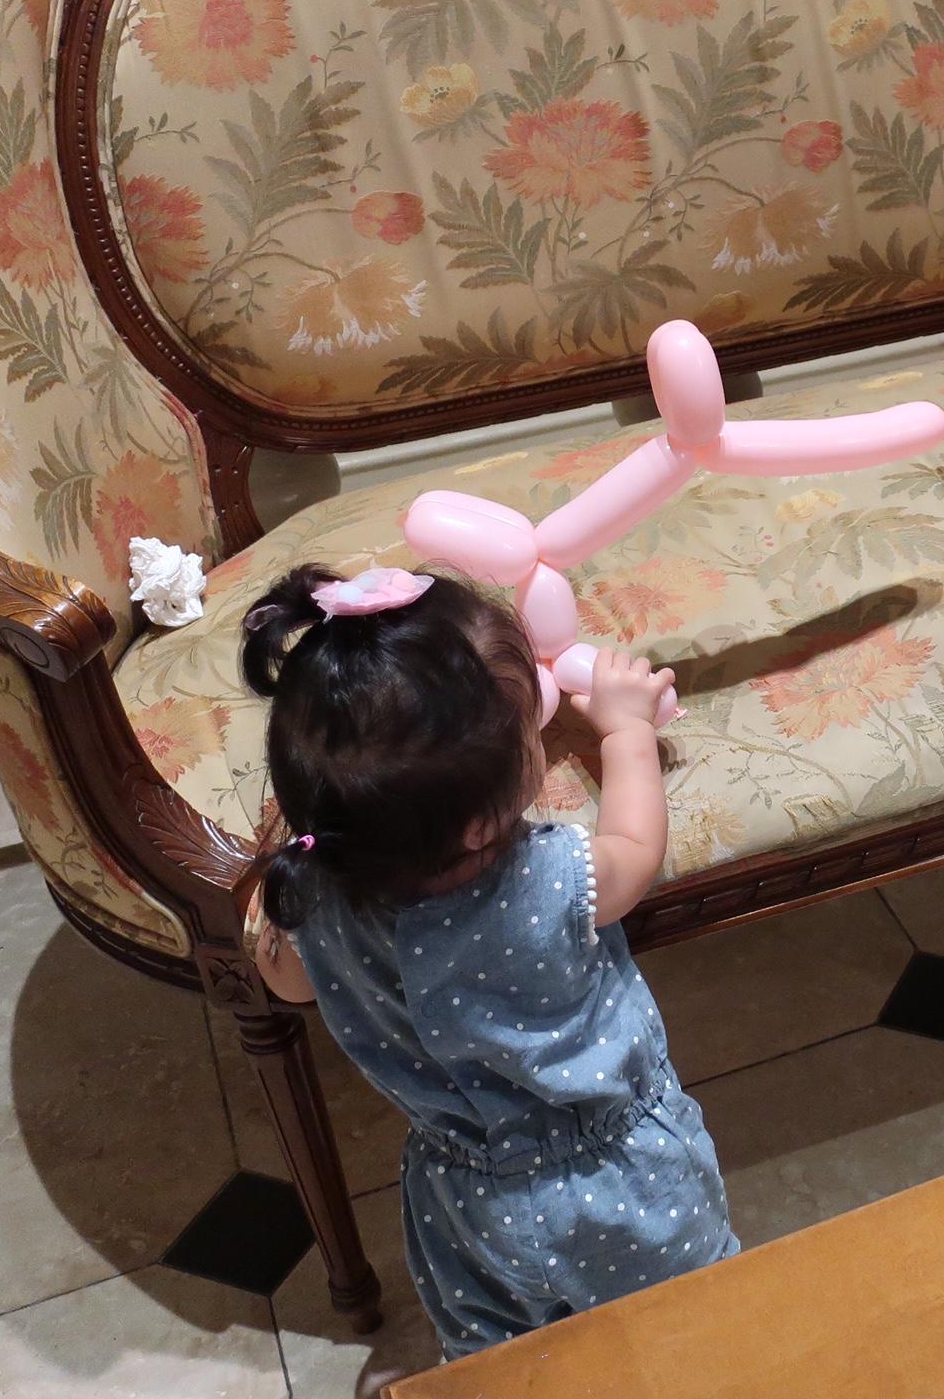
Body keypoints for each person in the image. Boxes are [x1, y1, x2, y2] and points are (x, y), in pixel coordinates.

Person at [238, 563, 737, 1359]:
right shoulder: (555, 877)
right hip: (624, 1185)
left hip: (463, 1204)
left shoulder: (315, 904)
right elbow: (635, 849)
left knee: (499, 1364)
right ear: (480, 822)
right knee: (693, 1332)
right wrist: (626, 732)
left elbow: (286, 981)